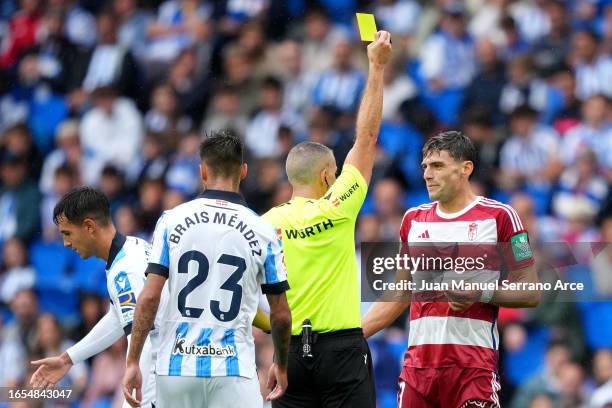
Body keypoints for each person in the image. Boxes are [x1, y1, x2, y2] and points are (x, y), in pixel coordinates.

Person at [260, 31, 392, 407]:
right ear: (327, 177)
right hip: (342, 351)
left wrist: (277, 339)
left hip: (291, 355)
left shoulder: (265, 223)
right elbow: (366, 138)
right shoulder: (338, 205)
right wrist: (377, 66)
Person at [362, 131, 541, 407]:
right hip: (417, 371)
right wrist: (351, 335)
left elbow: (531, 291)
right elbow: (399, 293)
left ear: (465, 168)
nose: (427, 175)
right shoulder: (413, 220)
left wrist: (480, 293)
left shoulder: (503, 217)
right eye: (424, 167)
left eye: (437, 166)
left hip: (473, 370)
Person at [122, 131, 292, 408]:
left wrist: (132, 361)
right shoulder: (265, 231)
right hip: (233, 370)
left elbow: (150, 297)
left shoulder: (170, 221)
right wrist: (281, 365)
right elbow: (281, 314)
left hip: (176, 368)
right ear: (244, 171)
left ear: (202, 171)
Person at [30, 186, 165, 408]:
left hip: (158, 373)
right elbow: (118, 319)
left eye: (67, 233)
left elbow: (144, 335)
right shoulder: (133, 247)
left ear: (89, 226)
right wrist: (67, 359)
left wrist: (138, 393)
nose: (65, 243)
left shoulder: (125, 270)